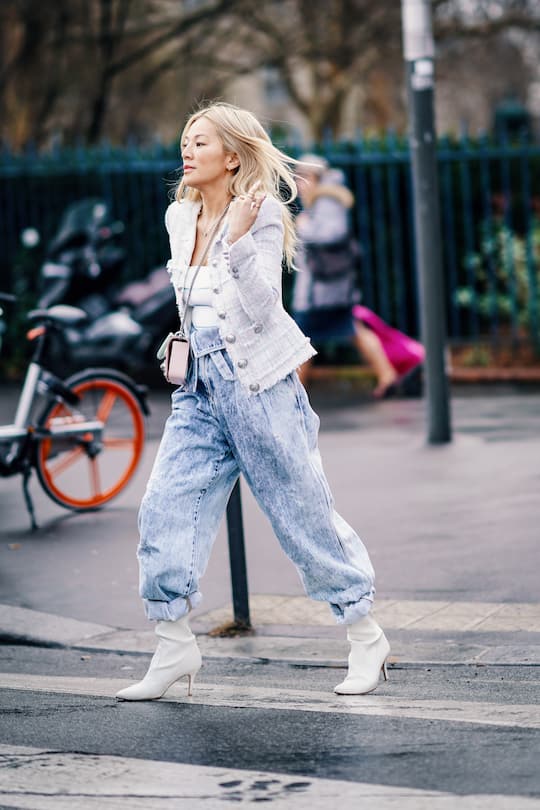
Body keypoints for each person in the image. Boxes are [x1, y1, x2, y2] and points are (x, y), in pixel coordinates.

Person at [116, 103, 389, 702]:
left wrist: (237, 242)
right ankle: (173, 645)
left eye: (200, 143)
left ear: (232, 155)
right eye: (184, 141)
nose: (186, 152)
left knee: (302, 515)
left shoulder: (261, 214)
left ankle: (365, 636)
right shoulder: (177, 217)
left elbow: (266, 307)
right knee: (164, 509)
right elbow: (190, 307)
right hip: (197, 390)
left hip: (258, 385)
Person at [292, 154, 401, 398]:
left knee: (300, 340)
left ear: (314, 177)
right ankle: (387, 376)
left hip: (321, 292)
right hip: (331, 287)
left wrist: (304, 227)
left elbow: (332, 233)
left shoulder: (327, 200)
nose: (298, 184)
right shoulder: (323, 199)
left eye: (301, 177)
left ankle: (294, 396)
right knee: (352, 330)